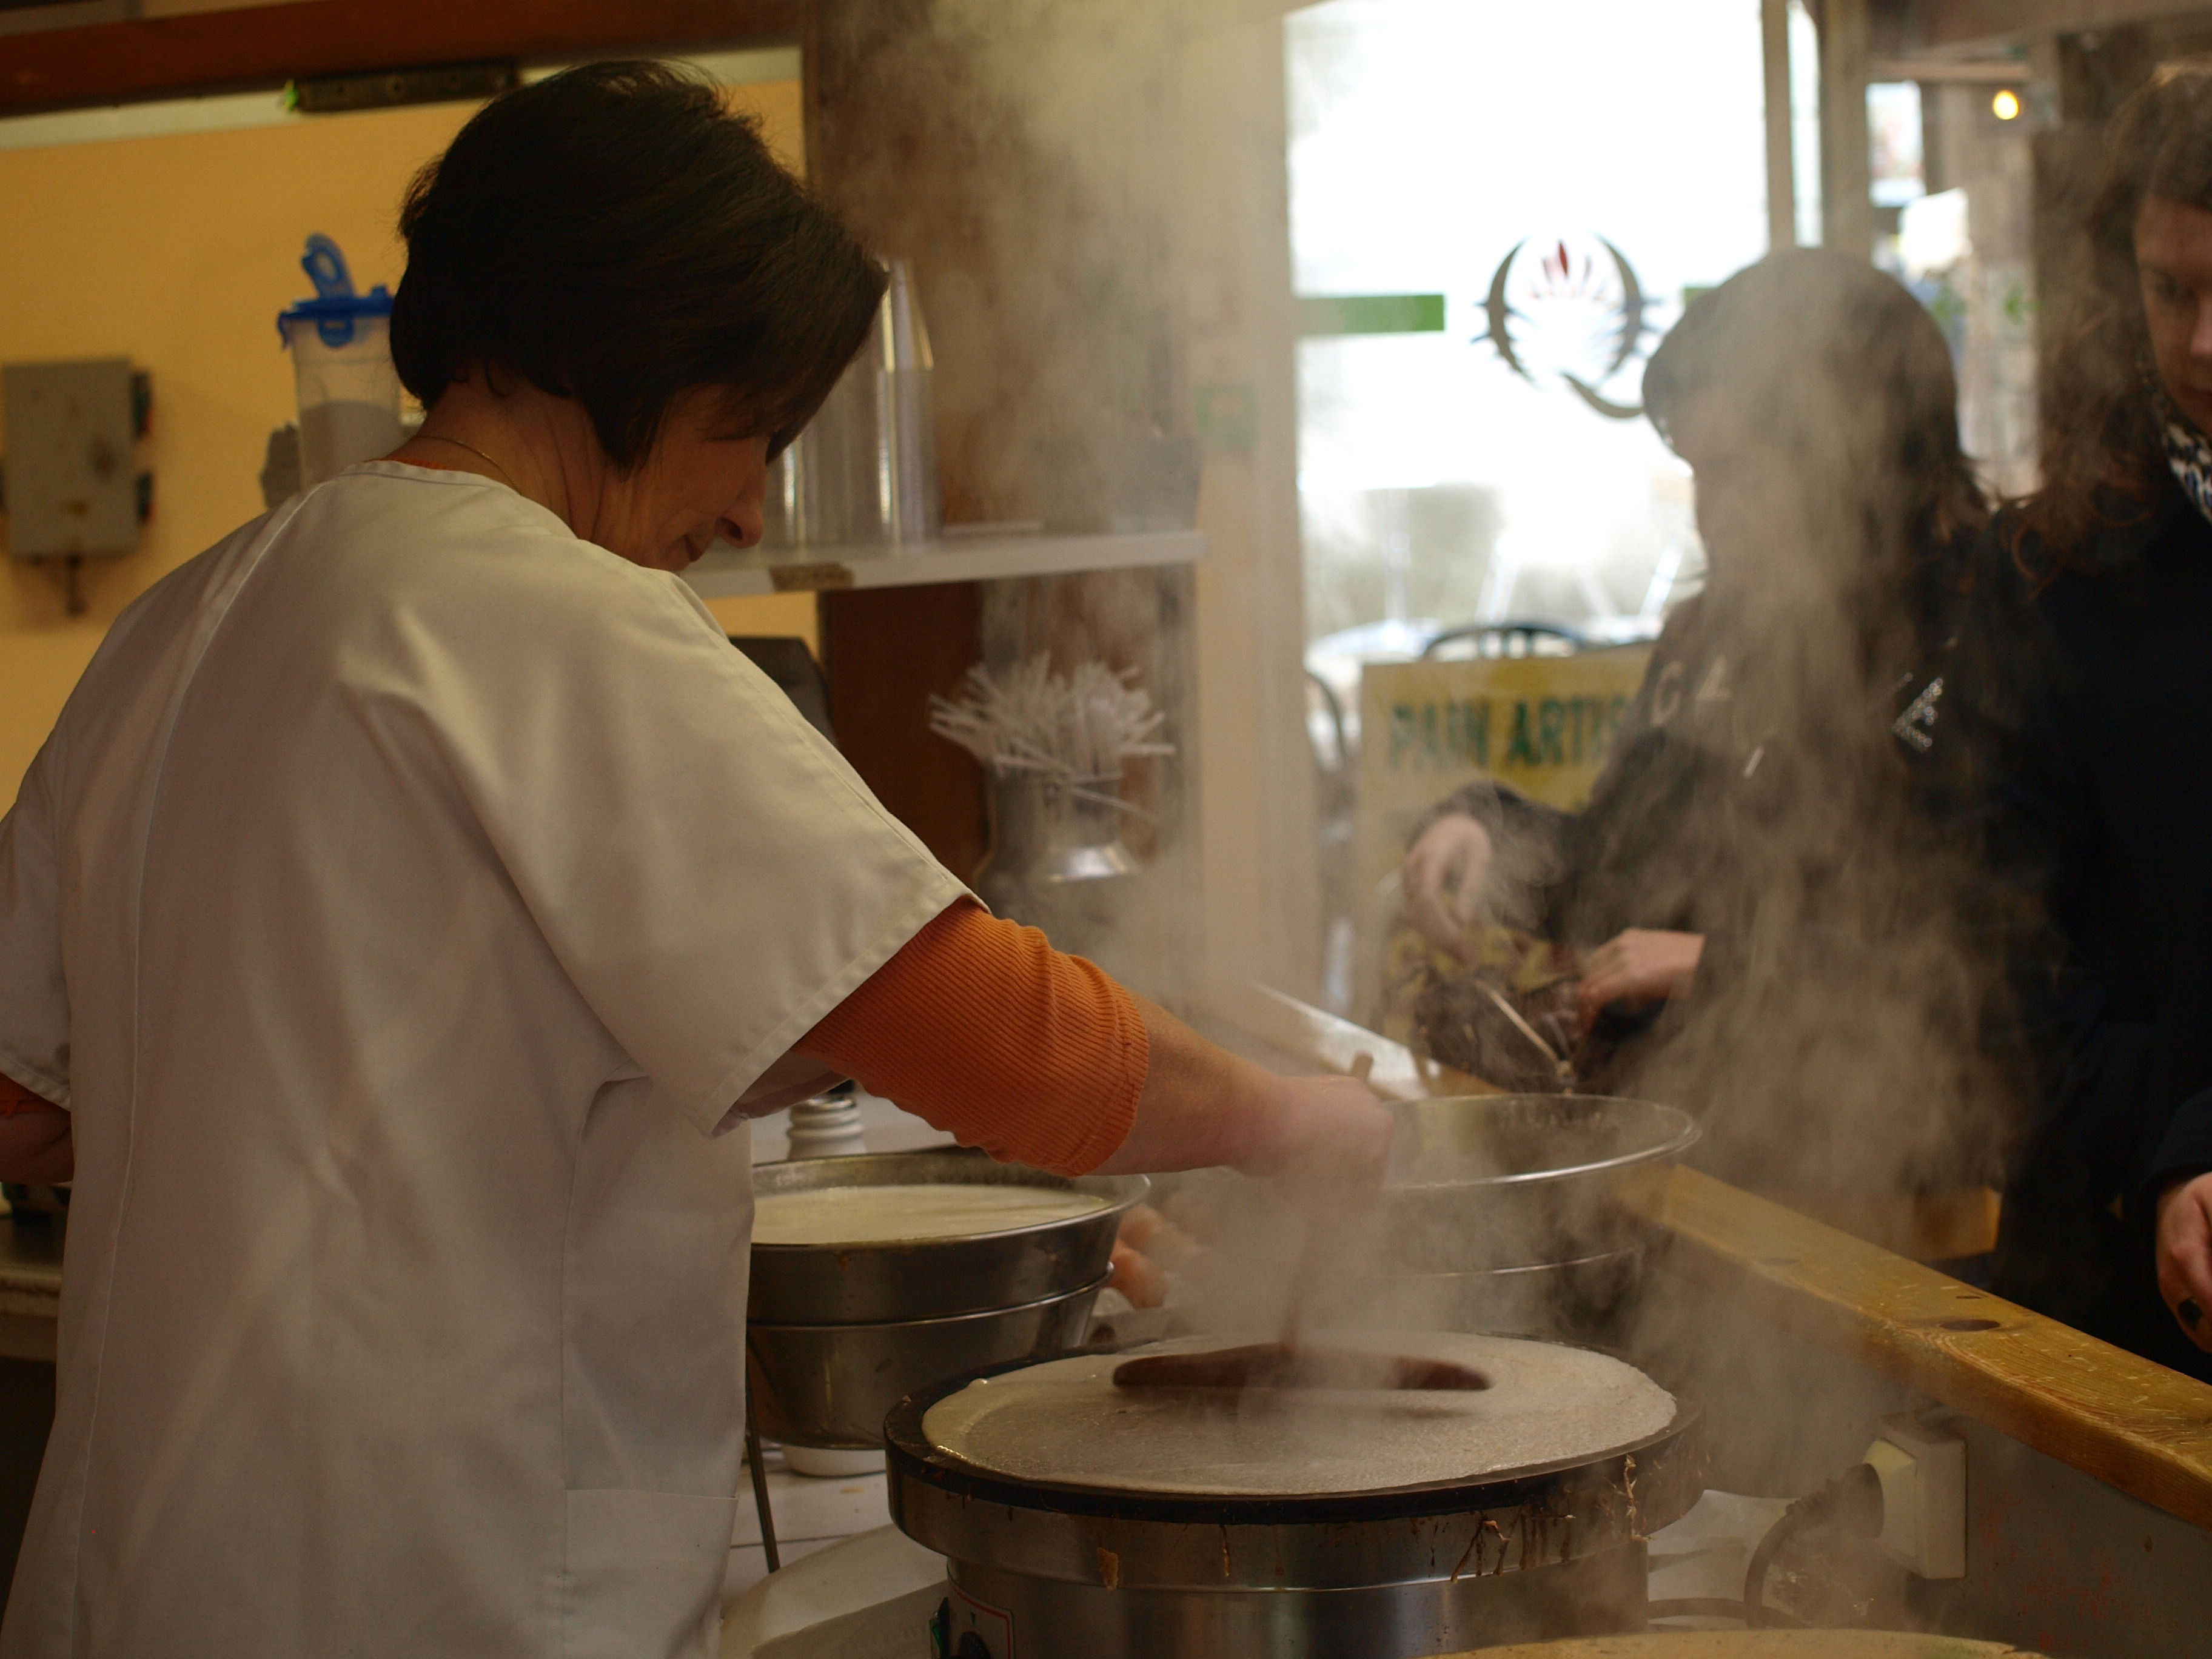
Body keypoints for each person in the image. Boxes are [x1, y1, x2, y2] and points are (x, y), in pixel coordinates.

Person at [0, 64, 1389, 1657]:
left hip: (126, 1588)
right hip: (422, 1594)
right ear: (635, 341)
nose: (749, 509)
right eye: (762, 428)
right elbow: (1007, 1039)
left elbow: (30, 1108)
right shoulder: (545, 610)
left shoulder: (183, 625)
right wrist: (1294, 1116)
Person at [1398, 249, 2002, 1187]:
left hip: (1882, 1196)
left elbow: (1983, 968)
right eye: (1698, 476)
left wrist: (1718, 964)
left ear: (1863, 461)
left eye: (1743, 477)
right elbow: (1615, 869)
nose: (1711, 520)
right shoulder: (1713, 634)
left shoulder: (1986, 645)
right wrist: (1486, 829)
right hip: (1679, 1163)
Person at [1976, 65, 2212, 1382]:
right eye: (2171, 290)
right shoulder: (2050, 574)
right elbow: (1999, 956)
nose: (2203, 345)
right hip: (2100, 1289)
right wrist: (2170, 1161)